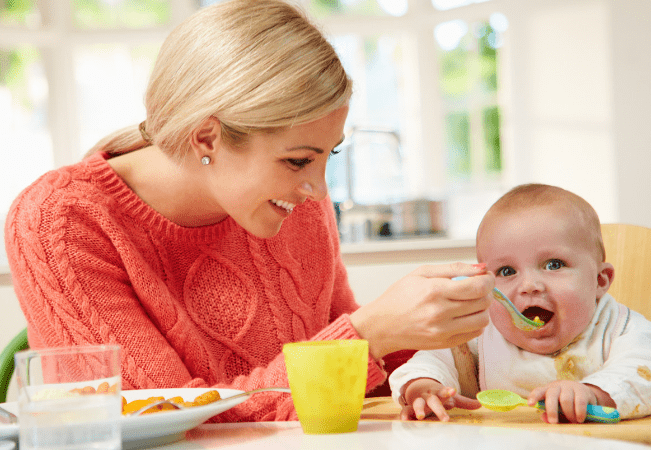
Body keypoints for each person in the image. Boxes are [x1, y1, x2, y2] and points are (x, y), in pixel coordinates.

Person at [4, 0, 495, 423]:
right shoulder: (60, 222)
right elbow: (160, 420)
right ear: (206, 138)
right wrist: (369, 334)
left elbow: (356, 387)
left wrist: (425, 367)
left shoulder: (291, 204)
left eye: (330, 155)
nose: (317, 191)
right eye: (299, 160)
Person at [389, 184, 651, 424]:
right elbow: (432, 359)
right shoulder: (481, 332)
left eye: (554, 264)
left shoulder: (621, 328)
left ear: (600, 280)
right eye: (506, 272)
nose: (529, 285)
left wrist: (593, 393)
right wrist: (423, 387)